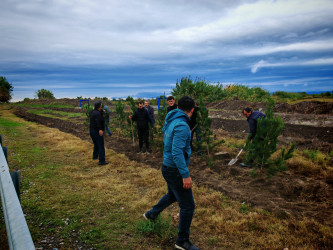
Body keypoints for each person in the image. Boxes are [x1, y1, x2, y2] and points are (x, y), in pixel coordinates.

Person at [143, 96, 199, 250]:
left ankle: (151, 214)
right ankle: (182, 241)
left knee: (173, 195)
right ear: (192, 110)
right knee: (188, 206)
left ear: (178, 107)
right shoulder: (182, 125)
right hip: (174, 170)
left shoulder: (172, 118)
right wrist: (185, 174)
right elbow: (177, 152)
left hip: (167, 167)